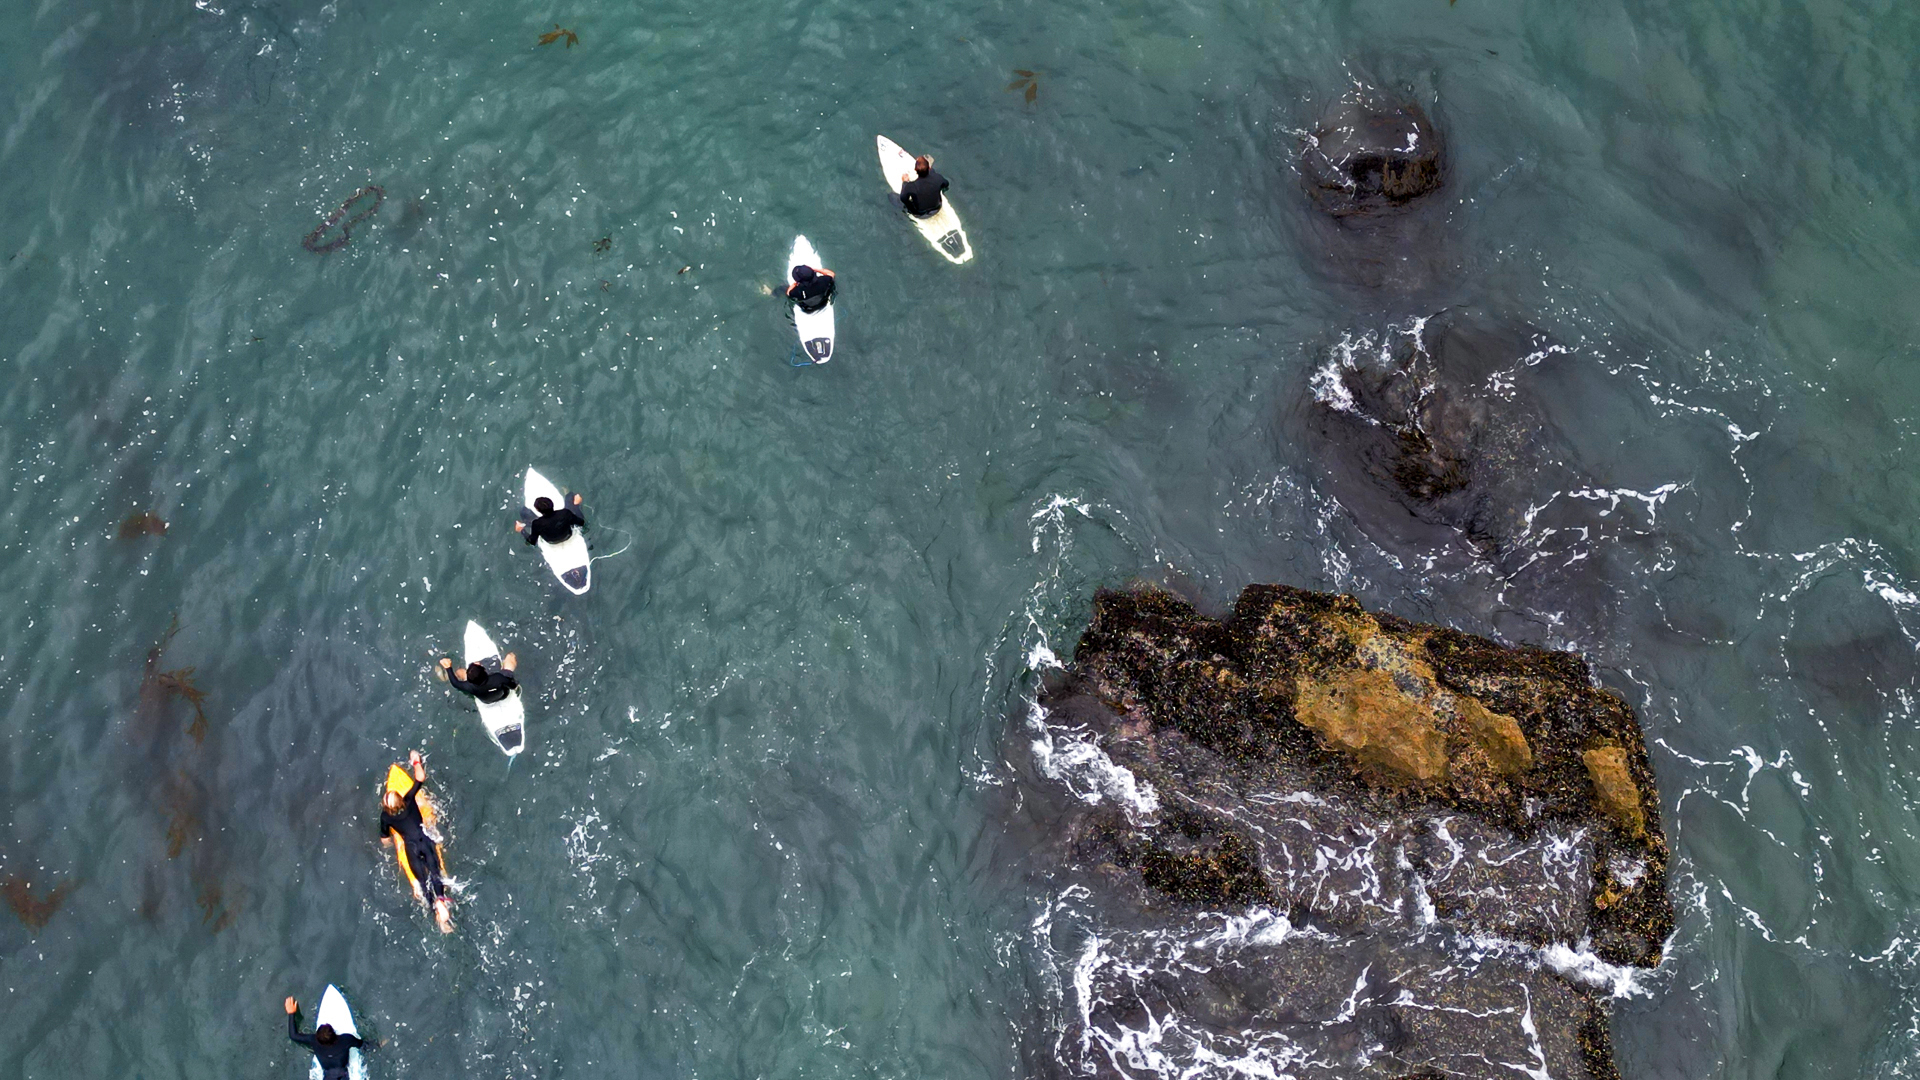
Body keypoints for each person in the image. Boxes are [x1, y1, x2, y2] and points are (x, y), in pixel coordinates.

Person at [379, 750, 454, 933]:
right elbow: (420, 777)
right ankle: (441, 899)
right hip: (425, 841)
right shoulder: (409, 800)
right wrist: (415, 761)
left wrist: (391, 844)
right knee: (435, 872)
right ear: (400, 800)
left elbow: (384, 839)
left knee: (422, 882)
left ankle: (437, 915)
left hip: (411, 849)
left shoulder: (385, 817)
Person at [284, 996, 375, 1080]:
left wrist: (291, 1013)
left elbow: (293, 1036)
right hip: (344, 1073)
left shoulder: (313, 1040)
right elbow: (362, 1044)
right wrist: (376, 1044)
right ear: (334, 1034)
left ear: (317, 1037)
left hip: (327, 1076)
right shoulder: (346, 1040)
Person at [439, 653, 519, 703]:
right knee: (510, 657)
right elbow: (512, 685)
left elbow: (455, 683)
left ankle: (444, 676)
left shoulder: (469, 687)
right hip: (503, 696)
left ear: (469, 680)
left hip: (486, 701)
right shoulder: (498, 677)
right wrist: (515, 686)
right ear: (485, 670)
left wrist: (448, 668)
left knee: (459, 672)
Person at [515, 493, 586, 546]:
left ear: (537, 510)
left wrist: (521, 530)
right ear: (552, 504)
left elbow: (532, 542)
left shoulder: (537, 523)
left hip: (551, 541)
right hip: (568, 535)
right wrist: (576, 505)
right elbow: (581, 522)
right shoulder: (565, 513)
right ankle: (568, 493)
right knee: (570, 496)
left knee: (523, 511)